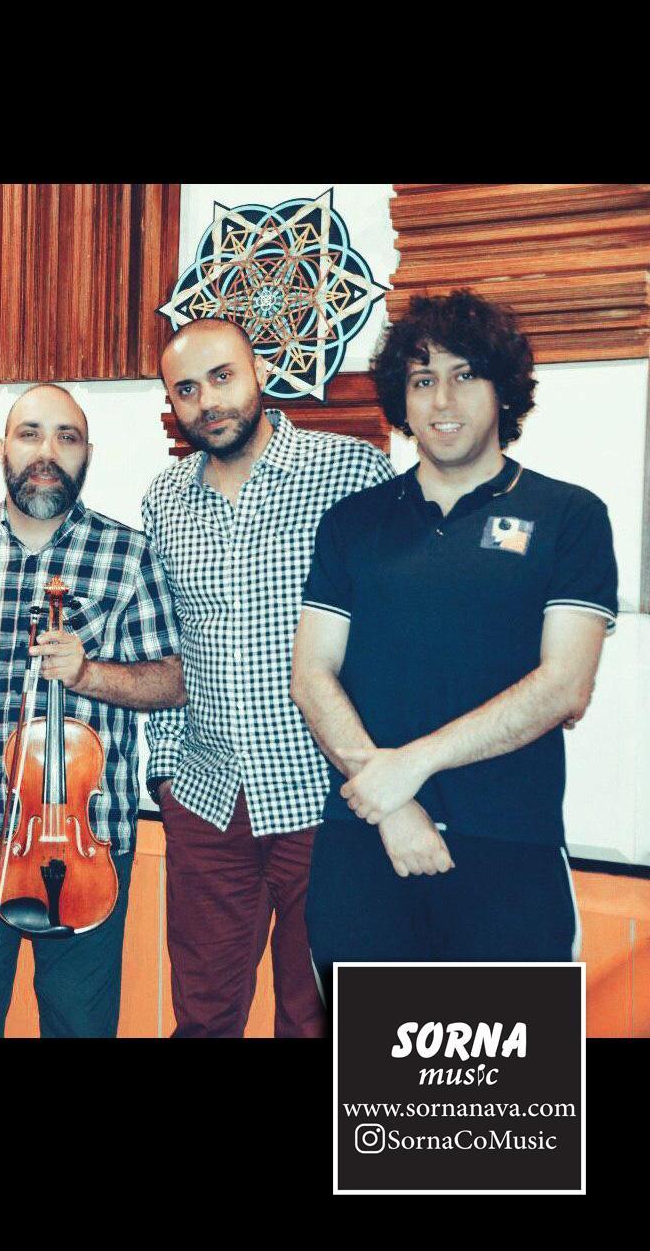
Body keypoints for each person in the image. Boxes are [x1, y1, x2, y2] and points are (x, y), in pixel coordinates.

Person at [291, 290, 616, 988]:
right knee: (371, 1060)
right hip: (364, 847)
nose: (442, 399)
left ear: (503, 391)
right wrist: (392, 805)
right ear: (402, 402)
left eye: (465, 374)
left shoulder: (570, 515)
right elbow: (312, 675)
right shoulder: (352, 523)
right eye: (421, 379)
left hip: (508, 852)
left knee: (504, 1062)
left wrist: (411, 767)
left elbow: (566, 685)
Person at [142, 317, 394, 1037]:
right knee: (202, 1015)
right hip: (208, 801)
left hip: (324, 798)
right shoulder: (164, 499)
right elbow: (169, 642)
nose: (207, 402)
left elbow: (390, 634)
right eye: (187, 390)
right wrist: (167, 776)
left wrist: (378, 773)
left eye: (222, 377)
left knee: (315, 1019)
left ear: (258, 373)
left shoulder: (351, 472)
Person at [0, 384, 184, 1037]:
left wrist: (88, 674)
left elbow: (174, 681)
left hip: (84, 849)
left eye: (67, 437)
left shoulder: (128, 554)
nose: (47, 450)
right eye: (30, 433)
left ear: (87, 454)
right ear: (1, 448)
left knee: (78, 1028)